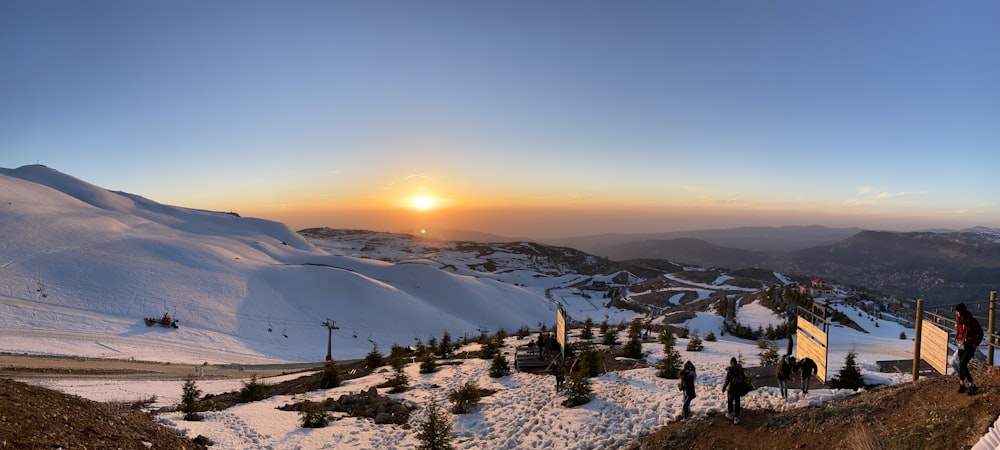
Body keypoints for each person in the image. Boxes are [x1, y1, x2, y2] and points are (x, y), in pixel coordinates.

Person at [955, 303, 984, 395]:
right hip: (961, 344)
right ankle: (962, 384)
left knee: (963, 363)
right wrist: (957, 338)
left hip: (969, 345)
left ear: (961, 312)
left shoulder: (972, 321)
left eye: (957, 311)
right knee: (960, 363)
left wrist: (975, 344)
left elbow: (980, 333)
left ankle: (972, 385)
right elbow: (959, 331)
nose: (956, 313)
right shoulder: (959, 321)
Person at [722, 357, 745, 424]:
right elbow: (743, 378)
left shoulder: (730, 370)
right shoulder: (740, 370)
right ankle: (736, 417)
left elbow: (727, 380)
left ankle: (729, 413)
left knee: (730, 401)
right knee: (737, 402)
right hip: (738, 388)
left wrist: (724, 388)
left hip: (731, 388)